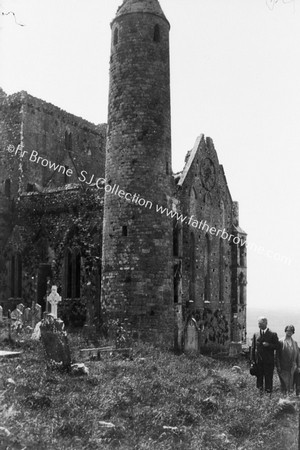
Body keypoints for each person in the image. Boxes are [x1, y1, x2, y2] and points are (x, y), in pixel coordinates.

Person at [251, 317, 279, 394]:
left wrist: (269, 345)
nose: (259, 325)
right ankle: (259, 396)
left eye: (260, 323)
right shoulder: (255, 334)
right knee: (259, 379)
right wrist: (252, 361)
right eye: (258, 323)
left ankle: (268, 396)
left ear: (266, 323)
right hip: (258, 363)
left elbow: (277, 346)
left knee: (268, 379)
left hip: (269, 362)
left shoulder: (273, 334)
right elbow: (253, 349)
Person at [276, 325, 300, 396]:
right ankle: (284, 401)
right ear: (285, 331)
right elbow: (277, 355)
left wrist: (298, 366)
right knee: (284, 386)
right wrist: (278, 366)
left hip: (293, 368)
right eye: (288, 330)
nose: (289, 332)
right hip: (283, 368)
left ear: (293, 332)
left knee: (292, 385)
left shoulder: (295, 343)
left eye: (291, 331)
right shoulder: (280, 342)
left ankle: (291, 400)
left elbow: (298, 356)